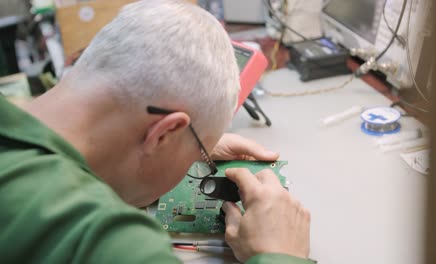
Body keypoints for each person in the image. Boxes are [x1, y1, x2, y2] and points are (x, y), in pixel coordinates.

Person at [0, 0, 312, 263]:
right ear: (163, 134)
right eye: (201, 153)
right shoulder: (115, 243)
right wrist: (280, 253)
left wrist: (181, 149)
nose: (200, 161)